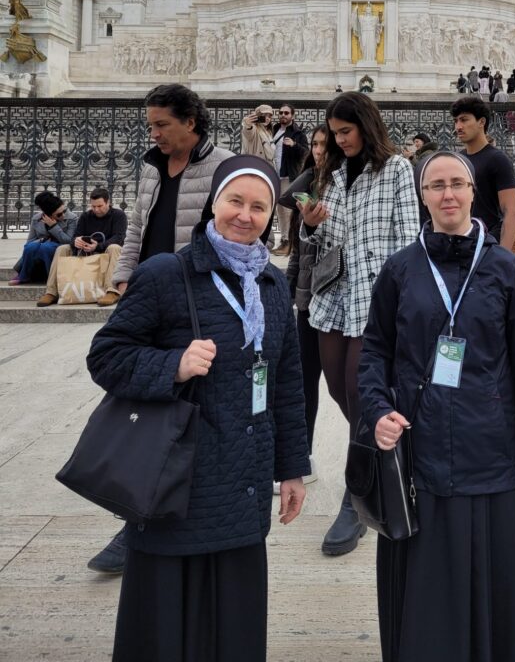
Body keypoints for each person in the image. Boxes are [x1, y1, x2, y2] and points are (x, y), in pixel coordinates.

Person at [87, 155, 309, 662]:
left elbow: (287, 385)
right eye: (235, 201)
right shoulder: (167, 273)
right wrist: (173, 366)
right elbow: (107, 356)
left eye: (259, 206)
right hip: (178, 484)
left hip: (244, 481)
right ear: (214, 204)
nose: (245, 215)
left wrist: (292, 469)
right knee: (167, 626)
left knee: (233, 622)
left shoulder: (273, 288)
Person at [358, 150, 515, 662]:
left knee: (502, 591)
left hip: (495, 458)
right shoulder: (400, 270)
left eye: (457, 183)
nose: (448, 194)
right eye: (436, 185)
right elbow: (373, 354)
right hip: (421, 458)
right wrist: (375, 410)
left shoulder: (504, 270)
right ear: (422, 195)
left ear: (474, 191)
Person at [88, 83, 232, 575]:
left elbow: (233, 233)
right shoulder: (152, 165)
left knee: (177, 416)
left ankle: (138, 527)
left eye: (161, 124)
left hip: (192, 302)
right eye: (151, 125)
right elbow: (137, 227)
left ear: (191, 121)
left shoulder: (223, 167)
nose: (154, 133)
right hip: (146, 298)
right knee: (140, 409)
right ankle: (138, 516)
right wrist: (123, 275)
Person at [296, 92, 420, 556]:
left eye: (346, 132)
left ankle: (357, 496)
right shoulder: (331, 174)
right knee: (336, 390)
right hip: (335, 296)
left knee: (360, 391)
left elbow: (407, 237)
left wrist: (402, 303)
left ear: (366, 127)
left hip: (376, 298)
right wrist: (311, 223)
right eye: (334, 134)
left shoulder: (396, 170)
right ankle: (387, 447)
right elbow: (328, 236)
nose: (340, 141)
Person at [281, 125, 328, 484]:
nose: (318, 150)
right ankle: (303, 454)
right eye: (314, 144)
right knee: (303, 381)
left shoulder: (345, 185)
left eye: (324, 144)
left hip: (339, 297)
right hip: (308, 298)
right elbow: (299, 249)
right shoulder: (308, 183)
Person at [449, 96, 515, 268]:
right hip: (458, 244)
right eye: (456, 121)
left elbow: (512, 211)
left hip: (486, 245)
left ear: (481, 122)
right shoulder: (457, 159)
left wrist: (504, 258)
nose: (458, 126)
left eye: (464, 120)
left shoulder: (498, 159)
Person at [36, 187, 127, 307]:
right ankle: (51, 292)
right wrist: (77, 241)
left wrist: (98, 246)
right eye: (93, 206)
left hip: (106, 250)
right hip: (86, 251)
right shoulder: (85, 216)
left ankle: (112, 291)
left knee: (115, 247)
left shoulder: (119, 215)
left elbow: (119, 238)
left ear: (108, 202)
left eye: (99, 206)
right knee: (62, 249)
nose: (96, 209)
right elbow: (74, 237)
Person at [9, 192, 77, 285]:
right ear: (49, 215)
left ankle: (52, 278)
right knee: (30, 247)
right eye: (59, 214)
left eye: (64, 211)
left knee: (46, 247)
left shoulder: (72, 218)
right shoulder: (36, 219)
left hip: (60, 247)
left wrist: (54, 226)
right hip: (41, 246)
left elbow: (69, 241)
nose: (63, 215)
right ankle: (23, 276)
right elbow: (29, 242)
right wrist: (42, 241)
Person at [271, 104, 308, 256]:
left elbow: (306, 153)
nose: (283, 115)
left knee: (287, 210)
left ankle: (288, 242)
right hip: (274, 174)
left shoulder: (298, 133)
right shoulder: (274, 130)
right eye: (280, 113)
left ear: (292, 115)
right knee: (279, 210)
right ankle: (284, 240)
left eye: (286, 113)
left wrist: (294, 145)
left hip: (288, 175)